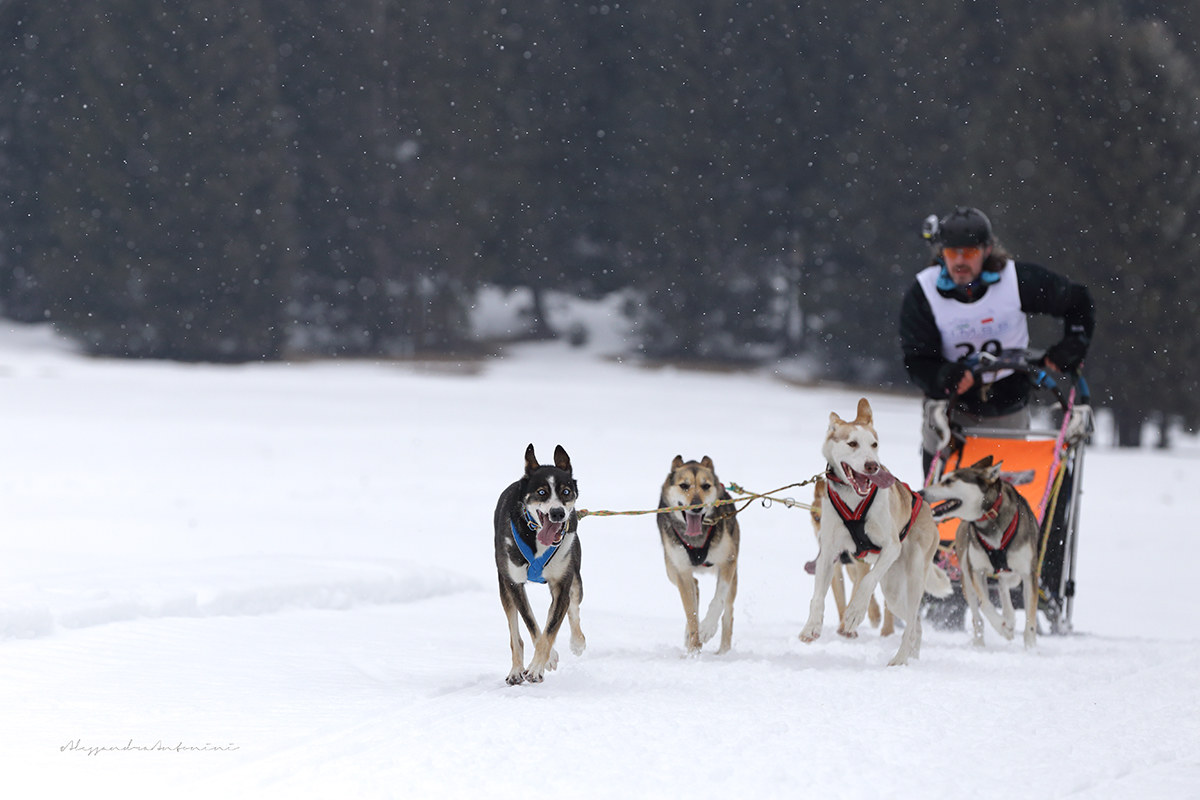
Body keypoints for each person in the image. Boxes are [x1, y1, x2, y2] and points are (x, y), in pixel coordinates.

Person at [899, 207, 1095, 474]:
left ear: (987, 250)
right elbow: (916, 358)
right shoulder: (924, 293)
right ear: (940, 253)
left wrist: (1071, 347)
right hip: (950, 411)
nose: (959, 262)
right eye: (951, 253)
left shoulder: (1015, 281)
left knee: (1003, 501)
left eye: (969, 253)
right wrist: (944, 375)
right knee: (943, 505)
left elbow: (1078, 301)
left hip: (1007, 405)